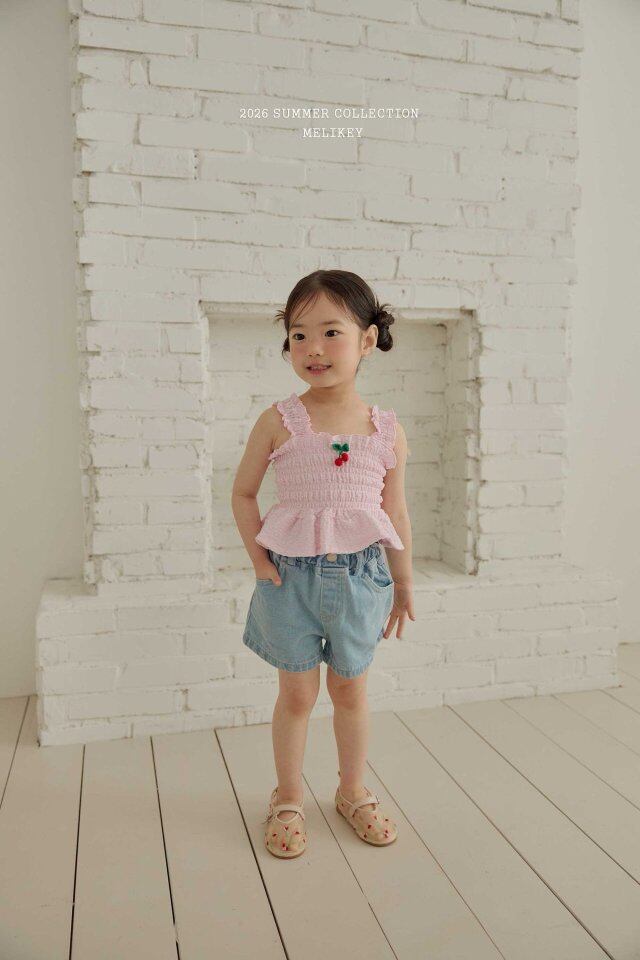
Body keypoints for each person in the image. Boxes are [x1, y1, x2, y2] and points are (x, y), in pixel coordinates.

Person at [231, 269, 415, 859]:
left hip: (361, 579)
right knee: (296, 696)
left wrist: (403, 581)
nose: (313, 348)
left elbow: (394, 510)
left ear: (366, 341)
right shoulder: (278, 420)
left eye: (331, 332)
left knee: (351, 691)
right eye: (299, 334)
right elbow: (243, 493)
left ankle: (352, 790)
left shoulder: (387, 431)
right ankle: (288, 796)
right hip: (290, 579)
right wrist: (259, 561)